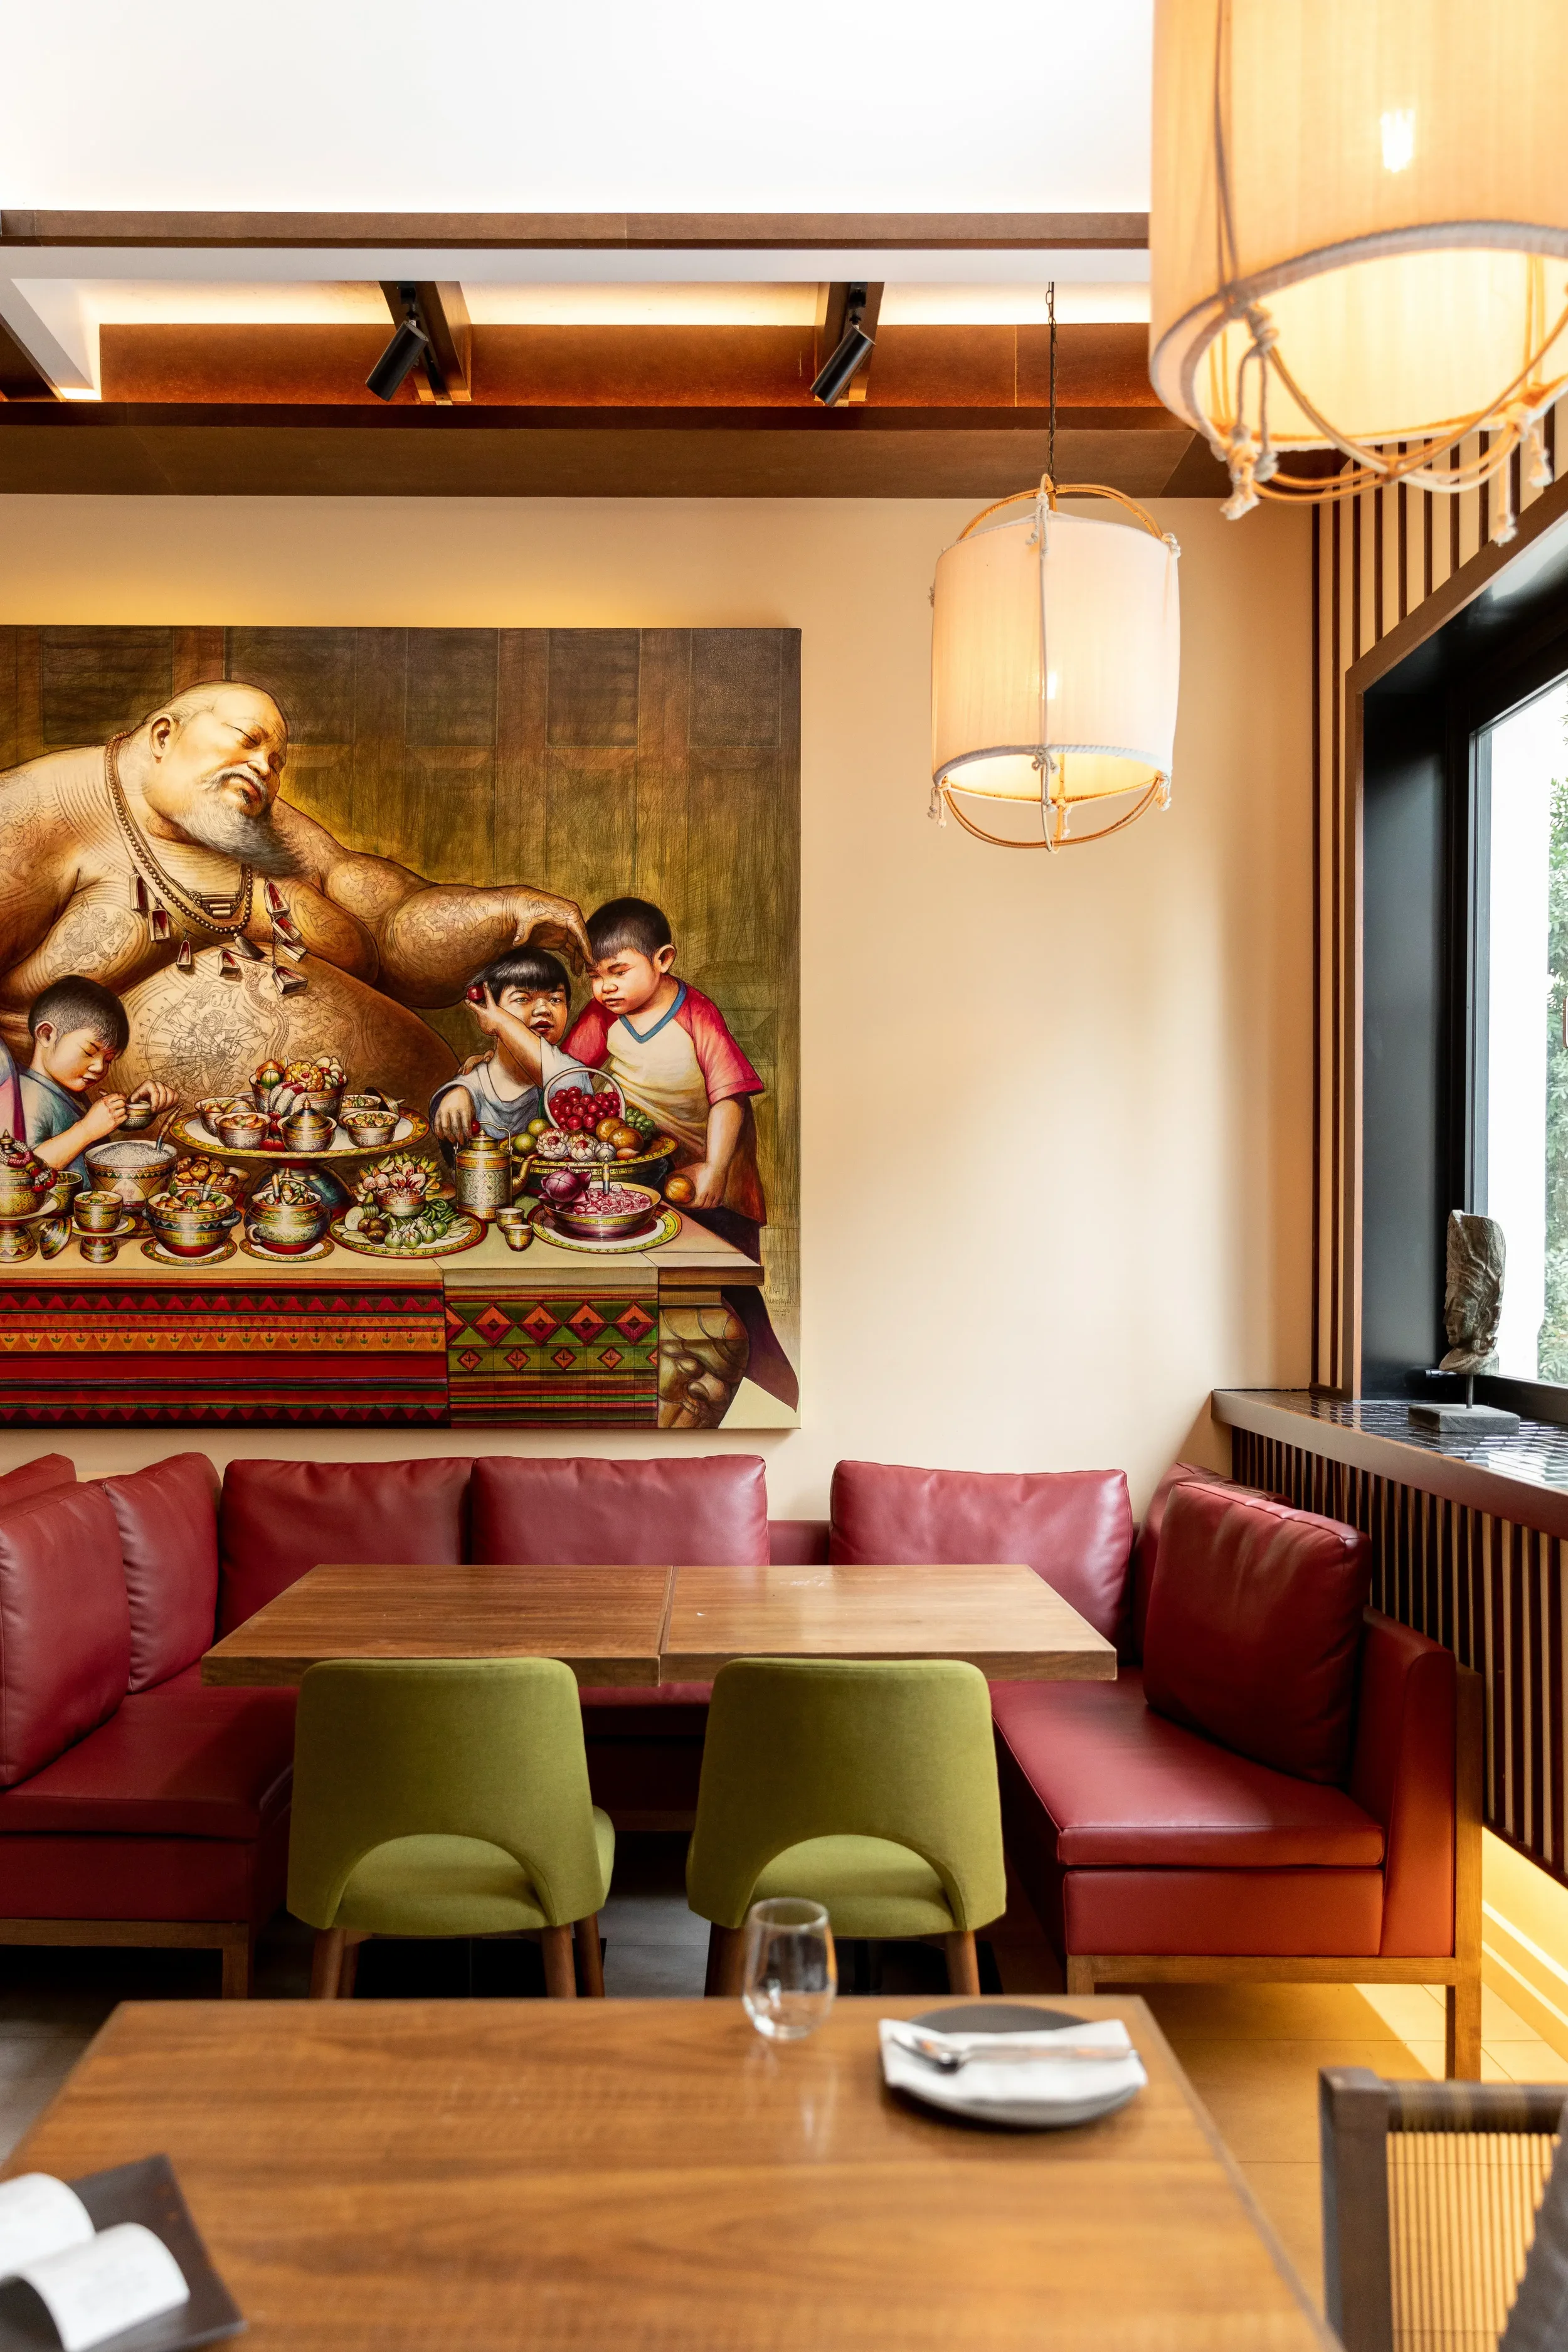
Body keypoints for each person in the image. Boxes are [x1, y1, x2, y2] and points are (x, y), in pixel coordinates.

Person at [0, 681, 592, 1114]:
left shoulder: (259, 824)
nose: (264, 766)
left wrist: (508, 911)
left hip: (391, 1152)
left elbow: (389, 927)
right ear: (163, 735)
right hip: (135, 1164)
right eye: (247, 742)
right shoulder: (35, 811)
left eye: (275, 760)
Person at [565, 896, 798, 1411]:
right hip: (642, 1172)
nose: (605, 987)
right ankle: (665, 1399)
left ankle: (774, 1398)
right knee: (657, 1296)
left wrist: (715, 1165)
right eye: (593, 975)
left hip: (711, 1175)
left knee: (727, 1295)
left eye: (618, 972)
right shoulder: (601, 1015)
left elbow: (729, 1096)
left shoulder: (696, 1013)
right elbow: (564, 1074)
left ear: (663, 960)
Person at [19, 975, 177, 1184]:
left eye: (108, 1060)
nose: (100, 1067)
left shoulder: (67, 1091)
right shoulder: (27, 1095)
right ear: (47, 1035)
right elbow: (22, 1172)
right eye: (88, 1051)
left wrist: (139, 1109)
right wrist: (87, 1130)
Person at [430, 948, 586, 1142]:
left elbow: (570, 1086)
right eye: (522, 999)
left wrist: (502, 1024)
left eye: (555, 999)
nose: (543, 1009)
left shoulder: (571, 1073)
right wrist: (459, 1092)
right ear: (487, 1008)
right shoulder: (466, 1089)